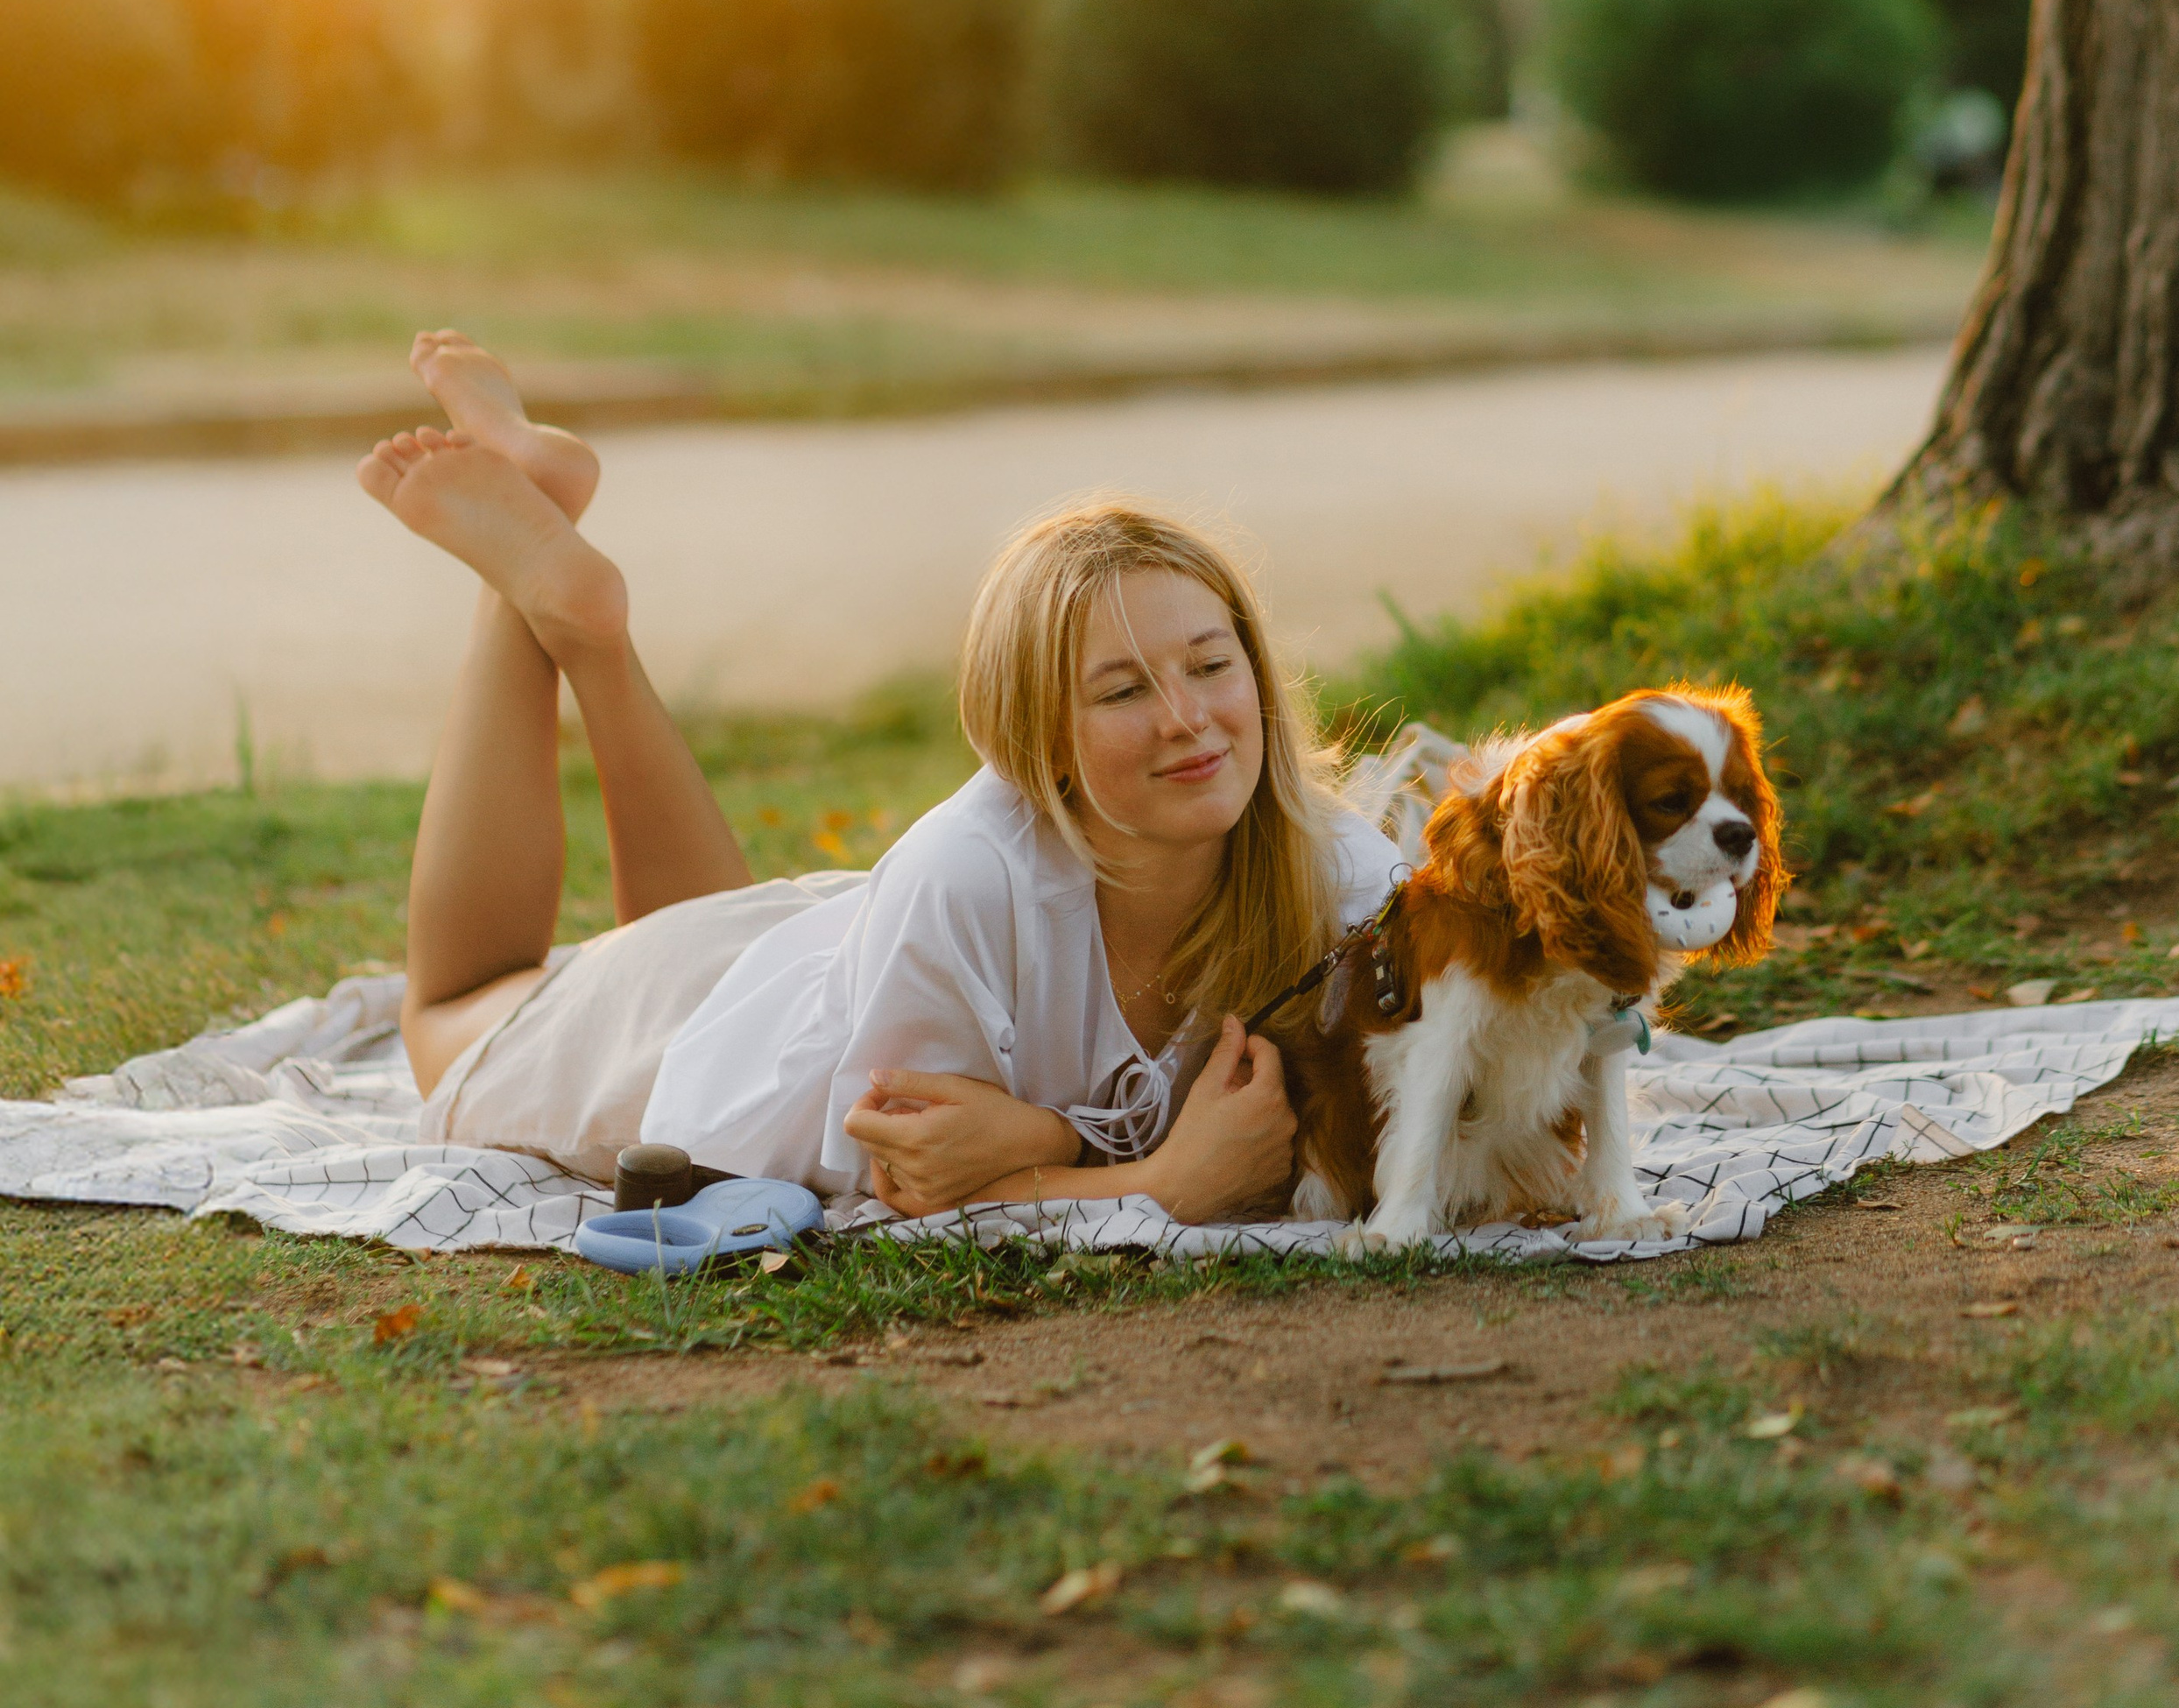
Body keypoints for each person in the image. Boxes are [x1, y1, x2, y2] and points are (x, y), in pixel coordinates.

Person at [357, 333, 1402, 1224]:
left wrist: (1038, 1139)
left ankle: (569, 582)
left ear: (1257, 674)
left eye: (1212, 665)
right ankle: (537, 599)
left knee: (693, 934)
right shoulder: (969, 873)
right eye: (1123, 690)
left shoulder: (1341, 870)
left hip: (791, 961)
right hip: (705, 1052)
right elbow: (903, 1189)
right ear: (1040, 741)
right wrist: (1157, 1179)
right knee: (448, 1014)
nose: (1189, 720)